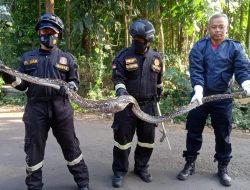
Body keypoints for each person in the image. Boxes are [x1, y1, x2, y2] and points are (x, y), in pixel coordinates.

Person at [0, 13, 89, 190]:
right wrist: (6, 75)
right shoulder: (27, 58)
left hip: (61, 108)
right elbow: (22, 85)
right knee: (33, 150)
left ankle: (83, 182)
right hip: (36, 108)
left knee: (71, 146)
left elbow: (74, 82)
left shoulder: (68, 58)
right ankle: (34, 186)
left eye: (51, 31)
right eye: (44, 30)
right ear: (39, 33)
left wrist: (69, 87)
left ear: (58, 35)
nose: (47, 34)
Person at [177, 13, 250, 187]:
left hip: (223, 98)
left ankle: (223, 167)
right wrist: (198, 89)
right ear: (208, 28)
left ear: (227, 28)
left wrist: (246, 82)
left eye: (221, 26)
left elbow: (241, 68)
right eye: (214, 26)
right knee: (193, 130)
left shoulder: (235, 47)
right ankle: (190, 163)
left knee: (223, 134)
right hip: (199, 96)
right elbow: (196, 69)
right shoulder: (200, 46)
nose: (217, 30)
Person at [111, 19, 164, 188]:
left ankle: (141, 167)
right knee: (122, 140)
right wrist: (121, 91)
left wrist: (159, 94)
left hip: (148, 106)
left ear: (149, 40)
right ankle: (119, 171)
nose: (137, 42)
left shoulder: (157, 58)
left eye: (141, 40)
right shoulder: (123, 56)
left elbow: (159, 82)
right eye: (135, 39)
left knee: (147, 140)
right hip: (126, 106)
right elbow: (117, 78)